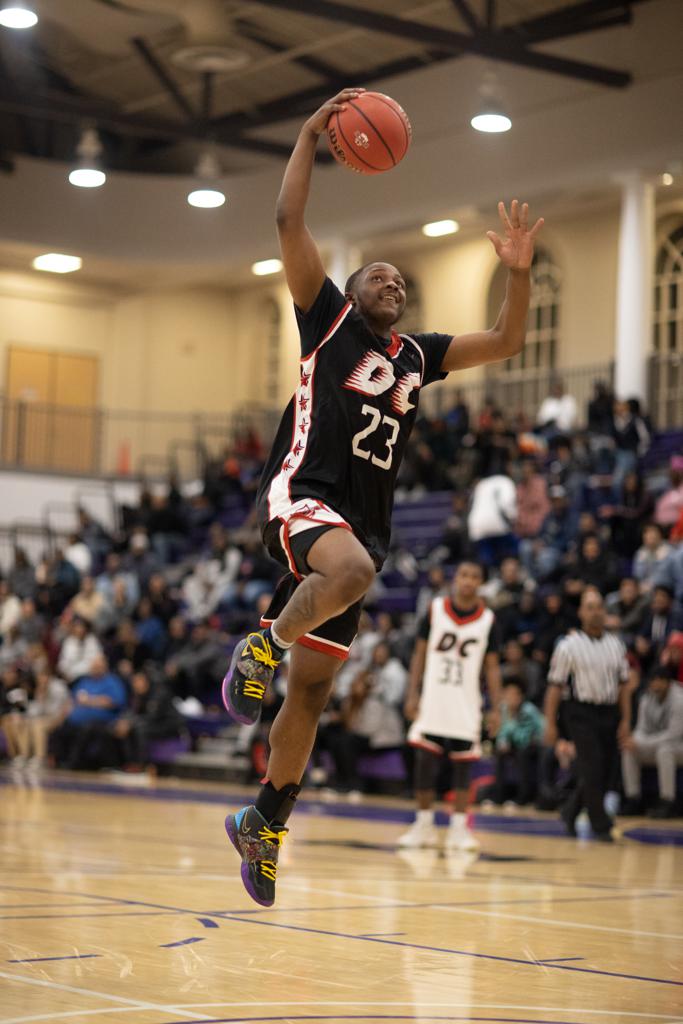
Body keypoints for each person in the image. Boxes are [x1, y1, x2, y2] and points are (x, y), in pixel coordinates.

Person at [220, 87, 543, 907]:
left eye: (401, 281)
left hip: (359, 528)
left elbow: (506, 340)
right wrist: (303, 132)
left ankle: (265, 821)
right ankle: (260, 644)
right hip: (303, 498)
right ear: (352, 287)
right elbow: (289, 225)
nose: (392, 283)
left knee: (315, 690)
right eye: (379, 275)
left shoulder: (416, 356)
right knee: (353, 573)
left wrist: (518, 275)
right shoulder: (326, 320)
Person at [398, 561, 502, 852]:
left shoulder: (488, 620)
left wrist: (496, 707)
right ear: (455, 578)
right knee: (424, 763)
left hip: (466, 700)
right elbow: (419, 655)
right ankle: (424, 825)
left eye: (474, 576)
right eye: (464, 575)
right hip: (434, 696)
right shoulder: (435, 609)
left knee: (463, 767)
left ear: (480, 582)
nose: (468, 581)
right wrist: (412, 693)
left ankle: (458, 828)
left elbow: (492, 668)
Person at [544, 587, 631, 841]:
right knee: (591, 767)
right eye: (590, 607)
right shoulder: (568, 646)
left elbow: (624, 686)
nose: (595, 612)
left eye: (599, 607)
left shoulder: (616, 644)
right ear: (581, 612)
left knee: (604, 770)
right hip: (580, 712)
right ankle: (600, 825)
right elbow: (554, 686)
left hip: (609, 710)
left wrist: (625, 719)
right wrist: (550, 723)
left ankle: (571, 810)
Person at [620, 667, 683, 819]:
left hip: (678, 746)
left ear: (667, 682)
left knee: (665, 751)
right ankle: (633, 799)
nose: (654, 685)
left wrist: (643, 743)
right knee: (629, 749)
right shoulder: (647, 698)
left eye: (658, 681)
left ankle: (667, 801)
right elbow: (641, 728)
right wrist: (634, 741)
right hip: (656, 745)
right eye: (652, 682)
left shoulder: (679, 700)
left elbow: (673, 735)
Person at [491, 678, 545, 806]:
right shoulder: (503, 709)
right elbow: (502, 733)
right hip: (515, 744)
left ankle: (523, 797)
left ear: (520, 696)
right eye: (507, 694)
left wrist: (511, 731)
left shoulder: (528, 710)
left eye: (513, 694)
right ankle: (499, 796)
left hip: (532, 745)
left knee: (523, 753)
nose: (509, 697)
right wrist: (502, 742)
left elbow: (539, 731)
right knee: (499, 753)